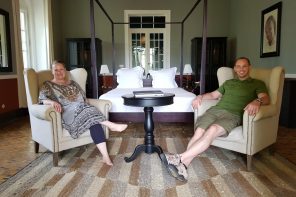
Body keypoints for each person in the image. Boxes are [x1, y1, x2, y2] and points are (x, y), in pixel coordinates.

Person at [161, 57, 270, 181]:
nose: (241, 69)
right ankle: (184, 165)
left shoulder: (257, 83)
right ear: (234, 68)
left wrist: (257, 101)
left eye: (244, 66)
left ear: (249, 67)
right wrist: (200, 97)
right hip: (215, 111)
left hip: (233, 115)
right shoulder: (229, 83)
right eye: (238, 66)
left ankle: (179, 157)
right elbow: (213, 95)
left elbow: (266, 98)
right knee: (199, 132)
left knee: (212, 130)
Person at [39, 60, 128, 166]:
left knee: (94, 122)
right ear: (52, 71)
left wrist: (87, 108)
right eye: (56, 70)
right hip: (67, 113)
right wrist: (52, 102)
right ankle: (110, 125)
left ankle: (105, 156)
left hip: (83, 109)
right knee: (86, 109)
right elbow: (41, 99)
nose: (59, 72)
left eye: (61, 69)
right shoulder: (47, 85)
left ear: (65, 70)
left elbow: (84, 99)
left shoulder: (73, 83)